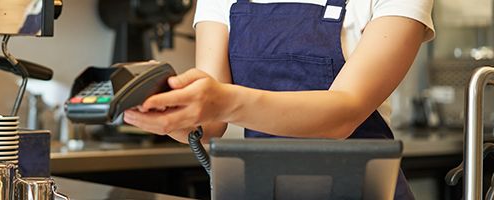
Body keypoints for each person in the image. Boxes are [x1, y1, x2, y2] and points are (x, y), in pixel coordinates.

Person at [124, 0, 434, 199]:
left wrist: (222, 101)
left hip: (362, 191)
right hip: (261, 190)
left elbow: (345, 112)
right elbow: (209, 122)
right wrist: (166, 107)